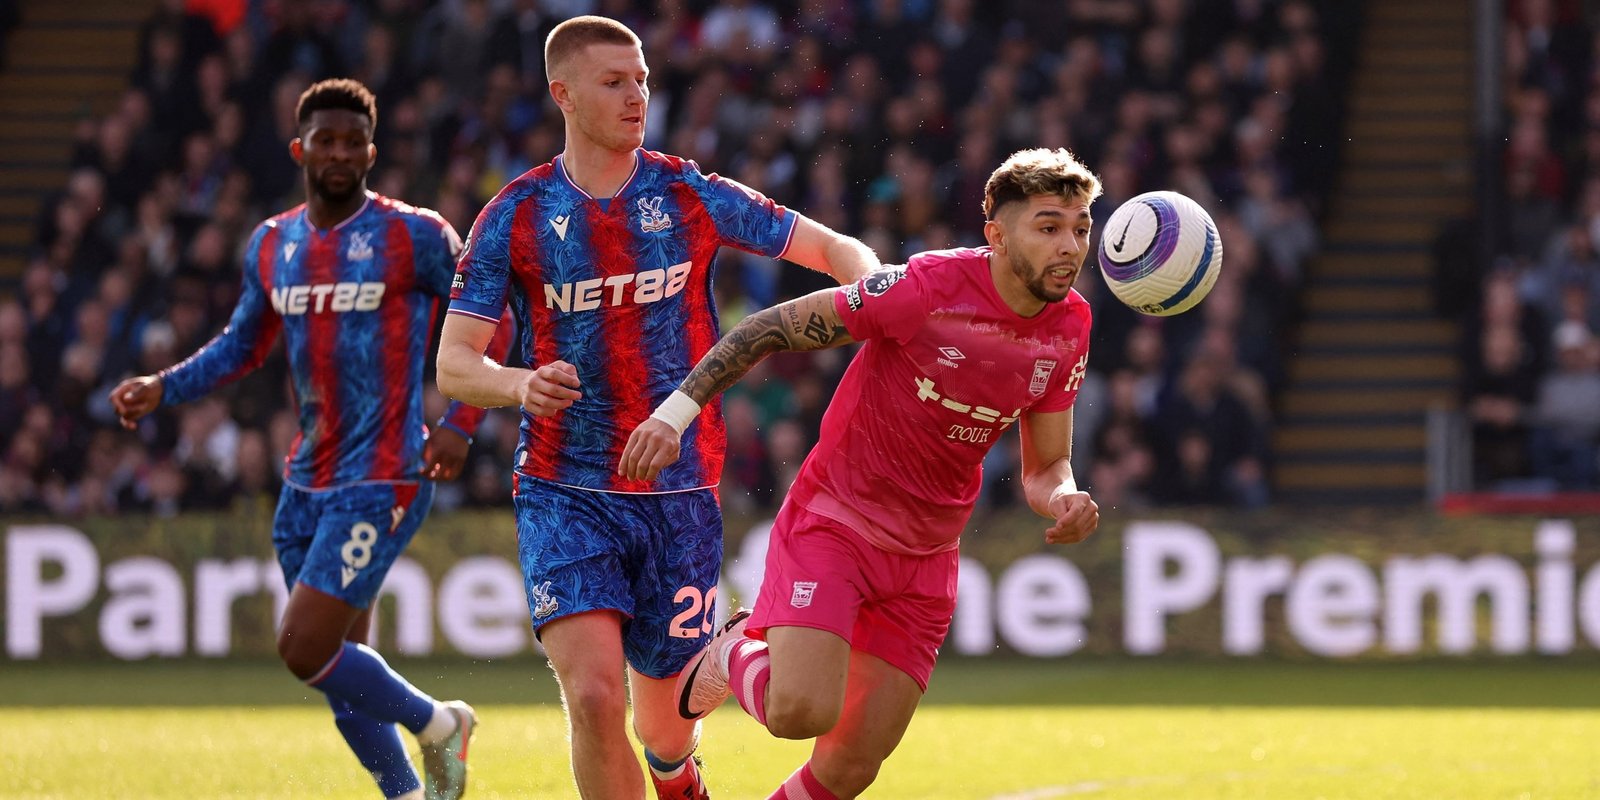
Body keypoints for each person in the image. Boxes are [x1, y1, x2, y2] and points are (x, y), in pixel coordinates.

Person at [433, 15, 878, 800]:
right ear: (564, 94)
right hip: (564, 488)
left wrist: (876, 289)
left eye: (641, 79)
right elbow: (455, 363)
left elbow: (833, 248)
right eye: (614, 82)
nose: (637, 95)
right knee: (593, 696)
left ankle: (677, 773)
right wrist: (518, 384)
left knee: (664, 730)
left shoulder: (686, 191)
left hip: (679, 489)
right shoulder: (515, 214)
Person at [620, 148, 1105, 799]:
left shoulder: (1071, 324)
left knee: (850, 766)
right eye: (1049, 227)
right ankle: (731, 646)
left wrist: (1065, 497)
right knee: (800, 712)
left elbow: (1046, 465)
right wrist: (674, 415)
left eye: (1080, 227)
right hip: (838, 524)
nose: (1070, 245)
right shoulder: (922, 290)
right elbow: (769, 328)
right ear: (997, 234)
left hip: (927, 557)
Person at [110, 79, 500, 800]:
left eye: (355, 142)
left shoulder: (416, 235)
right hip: (304, 482)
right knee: (338, 664)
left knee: (302, 647)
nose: (340, 153)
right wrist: (165, 385)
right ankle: (407, 795)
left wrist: (459, 422)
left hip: (385, 474)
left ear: (372, 153)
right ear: (301, 150)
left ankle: (441, 723)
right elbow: (242, 345)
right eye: (327, 141)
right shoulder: (273, 243)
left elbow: (490, 318)